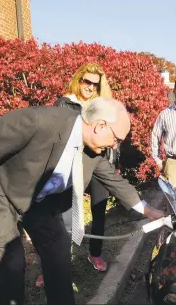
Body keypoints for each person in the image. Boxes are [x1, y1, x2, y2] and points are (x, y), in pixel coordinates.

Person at [0, 97, 165, 305]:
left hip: (38, 204)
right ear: (99, 125)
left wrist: (147, 210)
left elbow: (114, 181)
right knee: (12, 264)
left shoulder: (93, 152)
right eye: (116, 138)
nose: (115, 145)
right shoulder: (38, 121)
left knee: (59, 253)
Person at [54, 63, 115, 273]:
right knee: (63, 217)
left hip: (96, 163)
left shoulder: (102, 107)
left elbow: (112, 135)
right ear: (78, 79)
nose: (90, 87)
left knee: (99, 213)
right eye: (86, 81)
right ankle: (55, 265)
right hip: (70, 165)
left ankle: (95, 254)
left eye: (95, 84)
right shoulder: (65, 103)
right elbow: (56, 135)